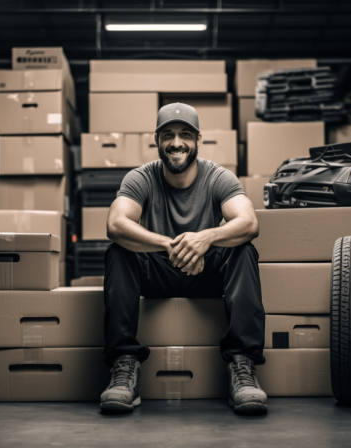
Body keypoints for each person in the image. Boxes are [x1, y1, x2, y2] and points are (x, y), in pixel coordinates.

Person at [100, 103, 267, 415]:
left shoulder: (218, 177)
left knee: (243, 249)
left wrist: (205, 238)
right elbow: (116, 224)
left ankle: (243, 367)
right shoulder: (141, 178)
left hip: (207, 273)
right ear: (157, 140)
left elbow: (249, 222)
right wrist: (170, 245)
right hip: (159, 273)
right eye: (168, 135)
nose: (176, 142)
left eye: (185, 134)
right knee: (119, 250)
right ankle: (124, 367)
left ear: (198, 139)